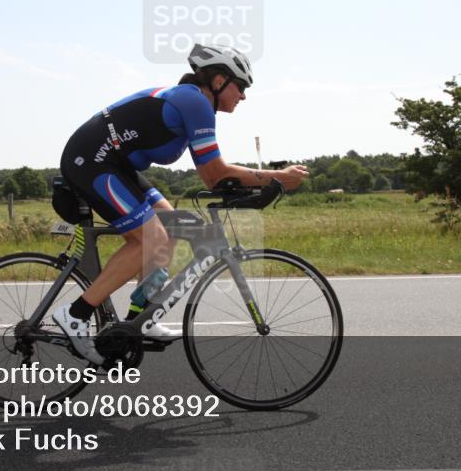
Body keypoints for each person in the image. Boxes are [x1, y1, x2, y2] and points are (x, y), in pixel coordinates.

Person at [52, 44, 310, 364]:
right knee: (151, 237)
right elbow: (216, 174)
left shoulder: (195, 104)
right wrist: (279, 177)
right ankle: (76, 313)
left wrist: (258, 186)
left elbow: (211, 176)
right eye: (240, 86)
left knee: (170, 225)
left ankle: (139, 318)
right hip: (92, 161)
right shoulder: (194, 102)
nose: (243, 95)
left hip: (116, 166)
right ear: (218, 81)